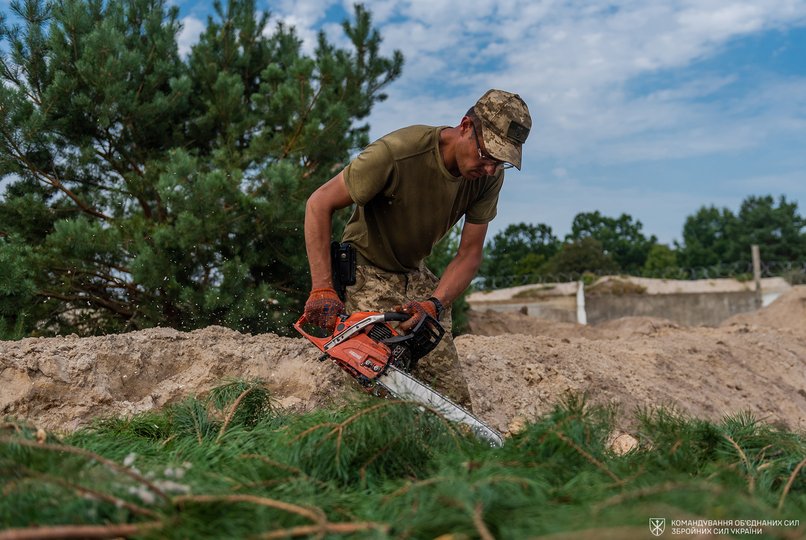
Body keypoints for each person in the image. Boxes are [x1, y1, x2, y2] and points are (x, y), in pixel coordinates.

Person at [302, 89, 531, 408]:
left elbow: (469, 254)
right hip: (365, 269)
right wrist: (322, 288)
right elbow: (318, 203)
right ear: (466, 126)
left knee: (450, 402)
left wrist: (435, 304)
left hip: (416, 278)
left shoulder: (487, 177)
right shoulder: (397, 153)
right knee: (377, 381)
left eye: (501, 162)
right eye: (488, 155)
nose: (491, 168)